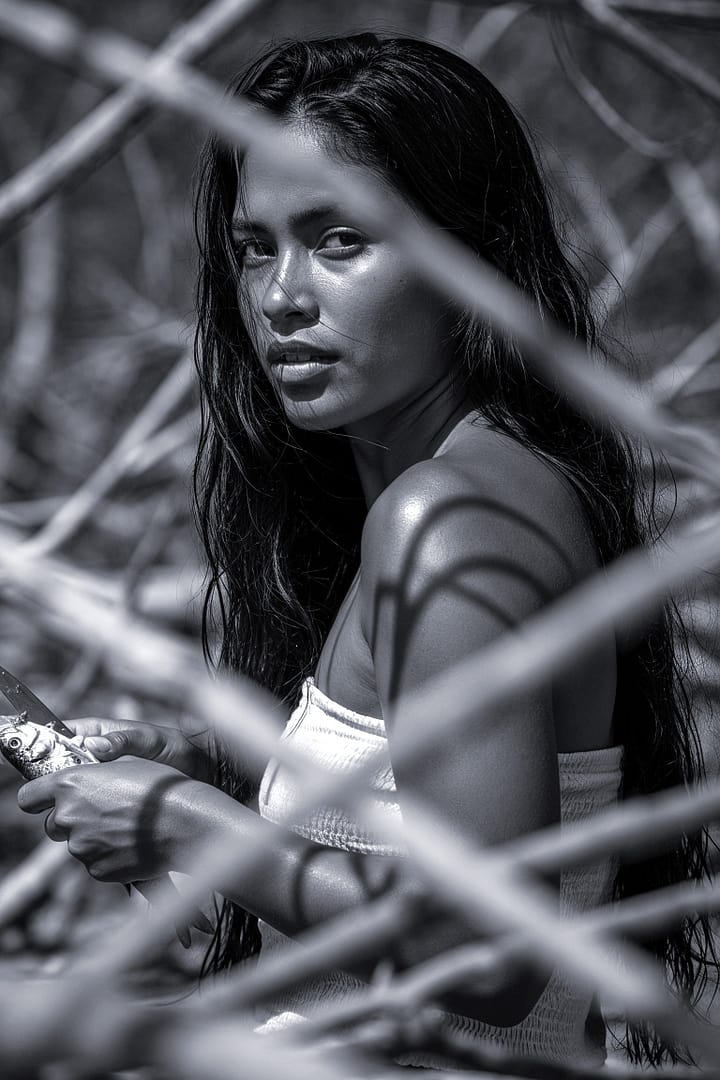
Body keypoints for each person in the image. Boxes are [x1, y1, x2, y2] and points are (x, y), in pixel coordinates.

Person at [17, 34, 716, 1070]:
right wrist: (212, 759)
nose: (281, 296)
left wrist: (190, 831)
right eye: (256, 246)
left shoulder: (447, 522)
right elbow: (429, 807)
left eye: (339, 240)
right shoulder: (489, 482)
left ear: (465, 257)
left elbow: (492, 955)